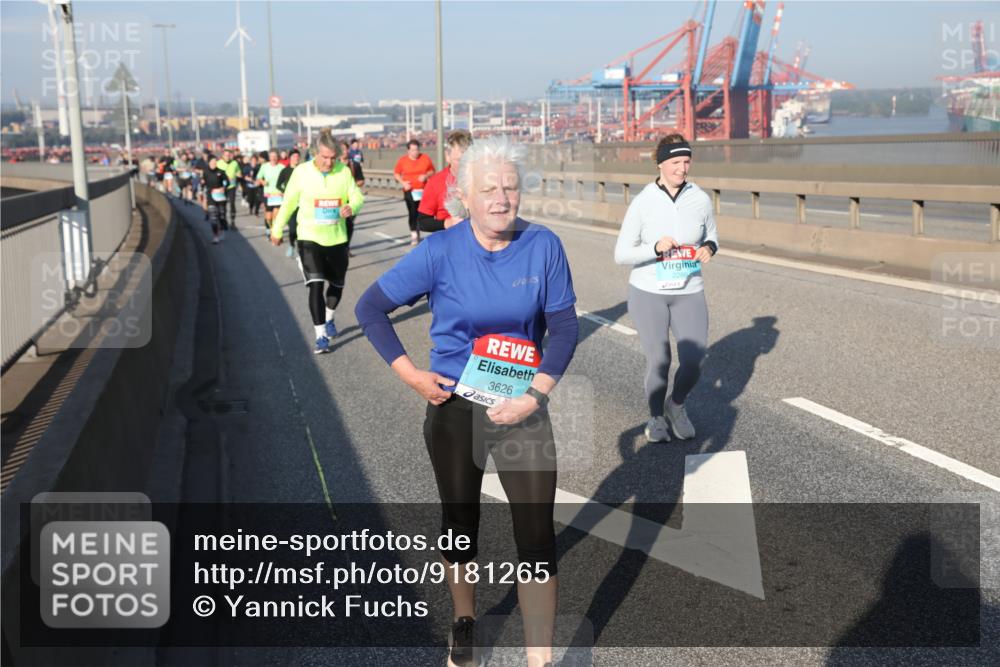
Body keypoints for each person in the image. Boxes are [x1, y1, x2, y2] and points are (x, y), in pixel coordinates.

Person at [355, 136, 578, 667]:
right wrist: (412, 376)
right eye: (488, 189)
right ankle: (464, 619)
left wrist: (534, 396)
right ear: (465, 197)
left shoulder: (543, 245)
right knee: (460, 522)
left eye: (510, 187)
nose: (501, 198)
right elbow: (370, 308)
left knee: (536, 536)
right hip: (456, 406)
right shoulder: (439, 251)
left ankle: (539, 659)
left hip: (522, 407)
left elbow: (565, 328)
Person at [613, 133, 718, 443]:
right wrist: (655, 248)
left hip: (689, 290)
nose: (682, 169)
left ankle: (676, 405)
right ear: (660, 164)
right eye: (675, 162)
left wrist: (710, 248)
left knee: (693, 362)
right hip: (648, 293)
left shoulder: (700, 198)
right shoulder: (643, 202)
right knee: (659, 360)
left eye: (686, 162)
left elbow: (712, 235)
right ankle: (656, 417)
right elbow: (621, 254)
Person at [270, 129, 364, 354]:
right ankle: (320, 334)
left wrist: (352, 207)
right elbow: (289, 203)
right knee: (315, 285)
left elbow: (358, 196)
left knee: (337, 286)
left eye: (333, 158)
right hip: (309, 237)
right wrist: (276, 229)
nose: (329, 162)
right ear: (314, 154)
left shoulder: (343, 172)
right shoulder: (301, 173)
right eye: (324, 157)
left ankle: (330, 316)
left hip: (337, 238)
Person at [416, 129, 472, 233]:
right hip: (449, 243)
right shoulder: (435, 182)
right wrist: (447, 223)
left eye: (468, 159)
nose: (465, 164)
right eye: (459, 160)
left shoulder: (483, 179)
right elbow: (422, 222)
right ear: (448, 156)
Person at [393, 139, 435, 245]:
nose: (415, 152)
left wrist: (425, 176)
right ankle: (414, 234)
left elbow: (432, 171)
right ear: (408, 151)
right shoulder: (403, 160)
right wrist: (403, 183)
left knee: (422, 212)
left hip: (423, 191)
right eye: (413, 150)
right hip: (410, 190)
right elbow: (396, 173)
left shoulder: (425, 158)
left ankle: (418, 230)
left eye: (417, 150)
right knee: (412, 212)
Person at [339, 141, 365, 254]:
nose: (343, 152)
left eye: (345, 149)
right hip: (337, 199)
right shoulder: (333, 165)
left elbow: (361, 180)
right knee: (339, 223)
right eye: (341, 149)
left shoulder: (354, 164)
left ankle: (346, 246)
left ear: (348, 151)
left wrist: (352, 185)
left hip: (351, 200)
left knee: (349, 223)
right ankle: (339, 245)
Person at [276, 149, 302, 257]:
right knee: (292, 227)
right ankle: (291, 245)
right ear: (290, 158)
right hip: (290, 203)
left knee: (302, 227)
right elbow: (278, 185)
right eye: (294, 156)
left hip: (303, 203)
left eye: (297, 156)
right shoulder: (285, 171)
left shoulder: (303, 170)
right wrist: (284, 192)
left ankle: (301, 248)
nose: (296, 158)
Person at [201, 155, 230, 244]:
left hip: (221, 196)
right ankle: (215, 236)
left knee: (221, 216)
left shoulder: (221, 172)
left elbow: (227, 182)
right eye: (212, 162)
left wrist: (223, 187)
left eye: (215, 162)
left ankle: (221, 231)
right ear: (209, 163)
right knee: (213, 217)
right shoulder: (205, 172)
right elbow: (203, 183)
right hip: (211, 196)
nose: (214, 163)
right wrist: (202, 183)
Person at [257, 149, 285, 231]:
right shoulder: (264, 166)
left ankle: (274, 231)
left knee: (276, 215)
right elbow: (258, 177)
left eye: (275, 156)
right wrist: (263, 181)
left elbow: (285, 180)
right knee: (268, 217)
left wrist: (283, 191)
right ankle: (269, 228)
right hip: (268, 194)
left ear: (278, 157)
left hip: (278, 194)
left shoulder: (282, 167)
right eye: (271, 156)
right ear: (269, 157)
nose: (273, 158)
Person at [217, 149, 242, 230]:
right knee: (223, 204)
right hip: (222, 187)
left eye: (229, 155)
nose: (227, 157)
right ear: (223, 156)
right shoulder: (219, 163)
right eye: (226, 155)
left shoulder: (234, 163)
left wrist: (238, 175)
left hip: (232, 186)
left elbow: (239, 173)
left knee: (232, 203)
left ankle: (232, 222)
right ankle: (223, 221)